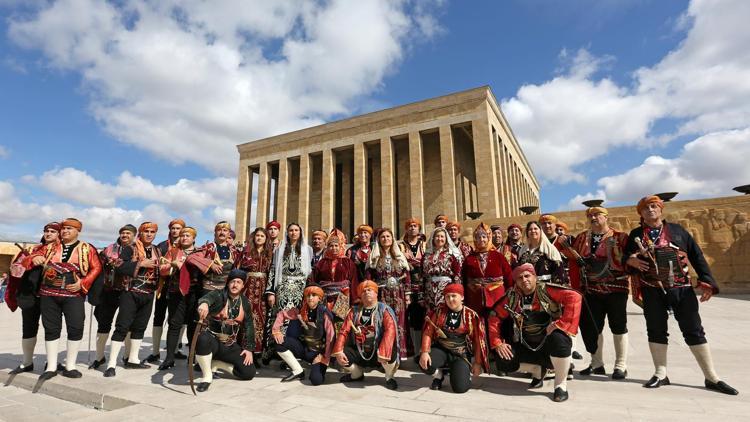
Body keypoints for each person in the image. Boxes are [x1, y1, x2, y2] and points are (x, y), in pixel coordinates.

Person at [624, 195, 738, 395]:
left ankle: (711, 377)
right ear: (640, 213)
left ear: (660, 209)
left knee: (694, 329)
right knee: (656, 330)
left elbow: (696, 255)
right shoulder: (635, 234)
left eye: (653, 206)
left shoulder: (678, 231)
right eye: (645, 208)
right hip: (652, 289)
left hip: (682, 289)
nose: (650, 210)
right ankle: (660, 373)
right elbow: (626, 258)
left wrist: (707, 281)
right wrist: (631, 261)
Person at [489, 263, 582, 402]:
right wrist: (497, 343)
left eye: (527, 276)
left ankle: (560, 385)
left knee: (560, 340)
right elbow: (494, 315)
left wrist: (560, 324)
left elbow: (574, 297)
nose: (524, 280)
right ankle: (537, 370)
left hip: (548, 345)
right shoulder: (512, 296)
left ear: (534, 276)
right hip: (525, 343)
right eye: (520, 278)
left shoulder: (546, 290)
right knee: (503, 360)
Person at [24, 218, 102, 380]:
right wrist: (34, 258)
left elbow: (96, 267)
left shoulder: (87, 248)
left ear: (77, 231)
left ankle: (70, 366)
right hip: (48, 294)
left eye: (69, 229)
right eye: (63, 228)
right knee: (51, 328)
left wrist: (83, 282)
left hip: (73, 294)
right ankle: (51, 366)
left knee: (75, 327)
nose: (65, 231)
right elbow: (32, 255)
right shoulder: (49, 247)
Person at [572, 207, 630, 379]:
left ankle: (621, 364)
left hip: (616, 289)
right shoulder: (582, 238)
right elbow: (573, 259)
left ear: (606, 217)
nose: (593, 217)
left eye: (597, 214)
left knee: (618, 325)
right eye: (590, 215)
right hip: (591, 289)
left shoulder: (620, 237)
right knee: (593, 327)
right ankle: (597, 363)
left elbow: (628, 258)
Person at [104, 222, 161, 377]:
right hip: (130, 292)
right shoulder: (131, 248)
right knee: (122, 326)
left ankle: (133, 359)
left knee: (140, 327)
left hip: (148, 294)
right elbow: (119, 265)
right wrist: (141, 263)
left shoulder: (156, 250)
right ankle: (111, 364)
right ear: (140, 233)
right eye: (146, 231)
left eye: (152, 232)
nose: (149, 234)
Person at [7, 222, 60, 374]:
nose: (48, 234)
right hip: (29, 295)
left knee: (52, 329)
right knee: (28, 328)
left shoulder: (62, 251)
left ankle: (51, 364)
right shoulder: (32, 249)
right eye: (46, 231)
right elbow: (16, 270)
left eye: (52, 231)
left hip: (51, 296)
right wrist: (28, 259)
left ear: (58, 234)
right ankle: (27, 362)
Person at [194, 269, 256, 392]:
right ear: (228, 283)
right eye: (232, 281)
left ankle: (216, 364)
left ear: (243, 285)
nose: (235, 285)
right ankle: (207, 377)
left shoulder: (245, 302)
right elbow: (206, 298)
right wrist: (204, 304)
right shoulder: (218, 294)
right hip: (213, 342)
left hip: (229, 344)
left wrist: (248, 348)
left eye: (239, 282)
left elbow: (249, 325)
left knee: (248, 372)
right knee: (202, 338)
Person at [419, 284, 488, 393]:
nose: (450, 300)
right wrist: (425, 352)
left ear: (462, 297)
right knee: (425, 363)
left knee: (460, 388)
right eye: (447, 297)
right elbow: (428, 332)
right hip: (441, 349)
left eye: (453, 296)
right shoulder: (439, 312)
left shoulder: (471, 315)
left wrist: (477, 363)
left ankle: (462, 374)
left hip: (460, 354)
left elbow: (477, 341)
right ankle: (438, 376)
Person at [333, 281, 400, 390]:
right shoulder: (354, 311)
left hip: (378, 352)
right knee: (342, 353)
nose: (366, 292)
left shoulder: (384, 310)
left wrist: (384, 351)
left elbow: (390, 331)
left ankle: (389, 377)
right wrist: (339, 351)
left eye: (370, 290)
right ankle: (356, 374)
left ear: (376, 293)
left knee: (390, 351)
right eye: (363, 291)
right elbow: (343, 331)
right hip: (361, 351)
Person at [263, 223, 313, 362]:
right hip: (283, 288)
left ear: (300, 232)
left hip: (300, 290)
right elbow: (273, 270)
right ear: (287, 233)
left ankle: (295, 352)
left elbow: (309, 274)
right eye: (291, 230)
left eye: (296, 230)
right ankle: (281, 352)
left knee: (297, 320)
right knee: (281, 320)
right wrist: (271, 292)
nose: (293, 233)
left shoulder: (307, 250)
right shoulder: (279, 250)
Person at [89, 224, 136, 370]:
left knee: (127, 325)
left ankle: (127, 357)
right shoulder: (109, 249)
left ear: (134, 235)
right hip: (109, 291)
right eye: (123, 233)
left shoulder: (137, 250)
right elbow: (98, 268)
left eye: (128, 233)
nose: (125, 235)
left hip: (128, 291)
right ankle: (99, 357)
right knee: (103, 323)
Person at [272, 286, 336, 385]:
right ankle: (298, 371)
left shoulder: (325, 313)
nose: (310, 298)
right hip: (305, 349)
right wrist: (276, 330)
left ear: (319, 298)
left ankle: (317, 368)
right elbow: (282, 314)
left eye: (314, 295)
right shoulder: (301, 310)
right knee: (279, 343)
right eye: (308, 295)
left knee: (316, 380)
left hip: (318, 354)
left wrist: (325, 358)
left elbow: (331, 337)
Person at [158, 226, 199, 370]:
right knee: (174, 324)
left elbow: (203, 271)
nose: (184, 238)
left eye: (188, 235)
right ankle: (169, 358)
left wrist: (185, 266)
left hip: (194, 293)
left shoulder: (199, 252)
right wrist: (172, 267)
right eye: (182, 235)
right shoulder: (173, 251)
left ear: (194, 238)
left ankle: (192, 356)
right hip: (177, 292)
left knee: (193, 325)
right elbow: (162, 269)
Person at [367, 228, 411, 358]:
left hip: (398, 295)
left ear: (392, 239)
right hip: (381, 294)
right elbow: (369, 276)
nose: (386, 239)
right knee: (383, 322)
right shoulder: (374, 256)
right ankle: (384, 353)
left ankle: (398, 353)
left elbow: (406, 274)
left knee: (399, 322)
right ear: (379, 240)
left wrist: (408, 295)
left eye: (388, 236)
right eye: (383, 237)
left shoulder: (398, 255)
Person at [147, 218, 185, 363]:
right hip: (163, 286)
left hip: (179, 288)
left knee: (177, 319)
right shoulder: (161, 246)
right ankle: (155, 352)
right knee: (159, 317)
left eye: (178, 228)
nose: (175, 231)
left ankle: (175, 350)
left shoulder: (186, 246)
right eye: (173, 228)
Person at [234, 227, 273, 359]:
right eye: (257, 235)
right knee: (247, 317)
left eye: (262, 236)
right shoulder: (246, 252)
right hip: (248, 288)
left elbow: (272, 272)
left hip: (263, 289)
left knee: (261, 318)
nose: (259, 238)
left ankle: (257, 351)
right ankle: (244, 348)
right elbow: (237, 269)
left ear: (266, 238)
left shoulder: (270, 253)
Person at [461, 222, 512, 318]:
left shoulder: (498, 256)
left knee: (497, 325)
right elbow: (464, 279)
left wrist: (509, 296)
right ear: (475, 239)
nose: (481, 240)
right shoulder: (469, 259)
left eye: (484, 237)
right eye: (478, 237)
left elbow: (508, 276)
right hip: (475, 299)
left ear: (488, 238)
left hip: (497, 298)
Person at [308, 229, 358, 321]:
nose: (334, 248)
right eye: (331, 246)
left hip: (343, 297)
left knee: (340, 322)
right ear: (327, 247)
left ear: (340, 246)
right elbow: (315, 280)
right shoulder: (321, 263)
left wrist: (354, 300)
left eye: (336, 246)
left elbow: (354, 281)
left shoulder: (348, 262)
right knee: (326, 322)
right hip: (326, 298)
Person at [183, 221, 239, 297]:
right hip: (208, 290)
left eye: (225, 230)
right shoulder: (208, 248)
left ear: (229, 233)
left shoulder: (234, 250)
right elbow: (190, 258)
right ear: (215, 233)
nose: (222, 232)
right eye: (219, 230)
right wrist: (210, 264)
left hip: (226, 290)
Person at [399, 218, 426, 356]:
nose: (412, 228)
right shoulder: (401, 246)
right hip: (407, 287)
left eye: (415, 226)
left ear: (419, 228)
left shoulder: (425, 245)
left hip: (424, 288)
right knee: (410, 319)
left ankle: (424, 350)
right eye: (410, 226)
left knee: (423, 318)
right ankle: (415, 351)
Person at [421, 227, 462, 311]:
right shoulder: (426, 255)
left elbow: (457, 274)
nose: (439, 239)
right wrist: (421, 294)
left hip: (446, 290)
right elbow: (422, 275)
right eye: (437, 236)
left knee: (444, 313)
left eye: (442, 237)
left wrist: (457, 292)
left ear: (446, 239)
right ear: (433, 238)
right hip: (429, 291)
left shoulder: (451, 255)